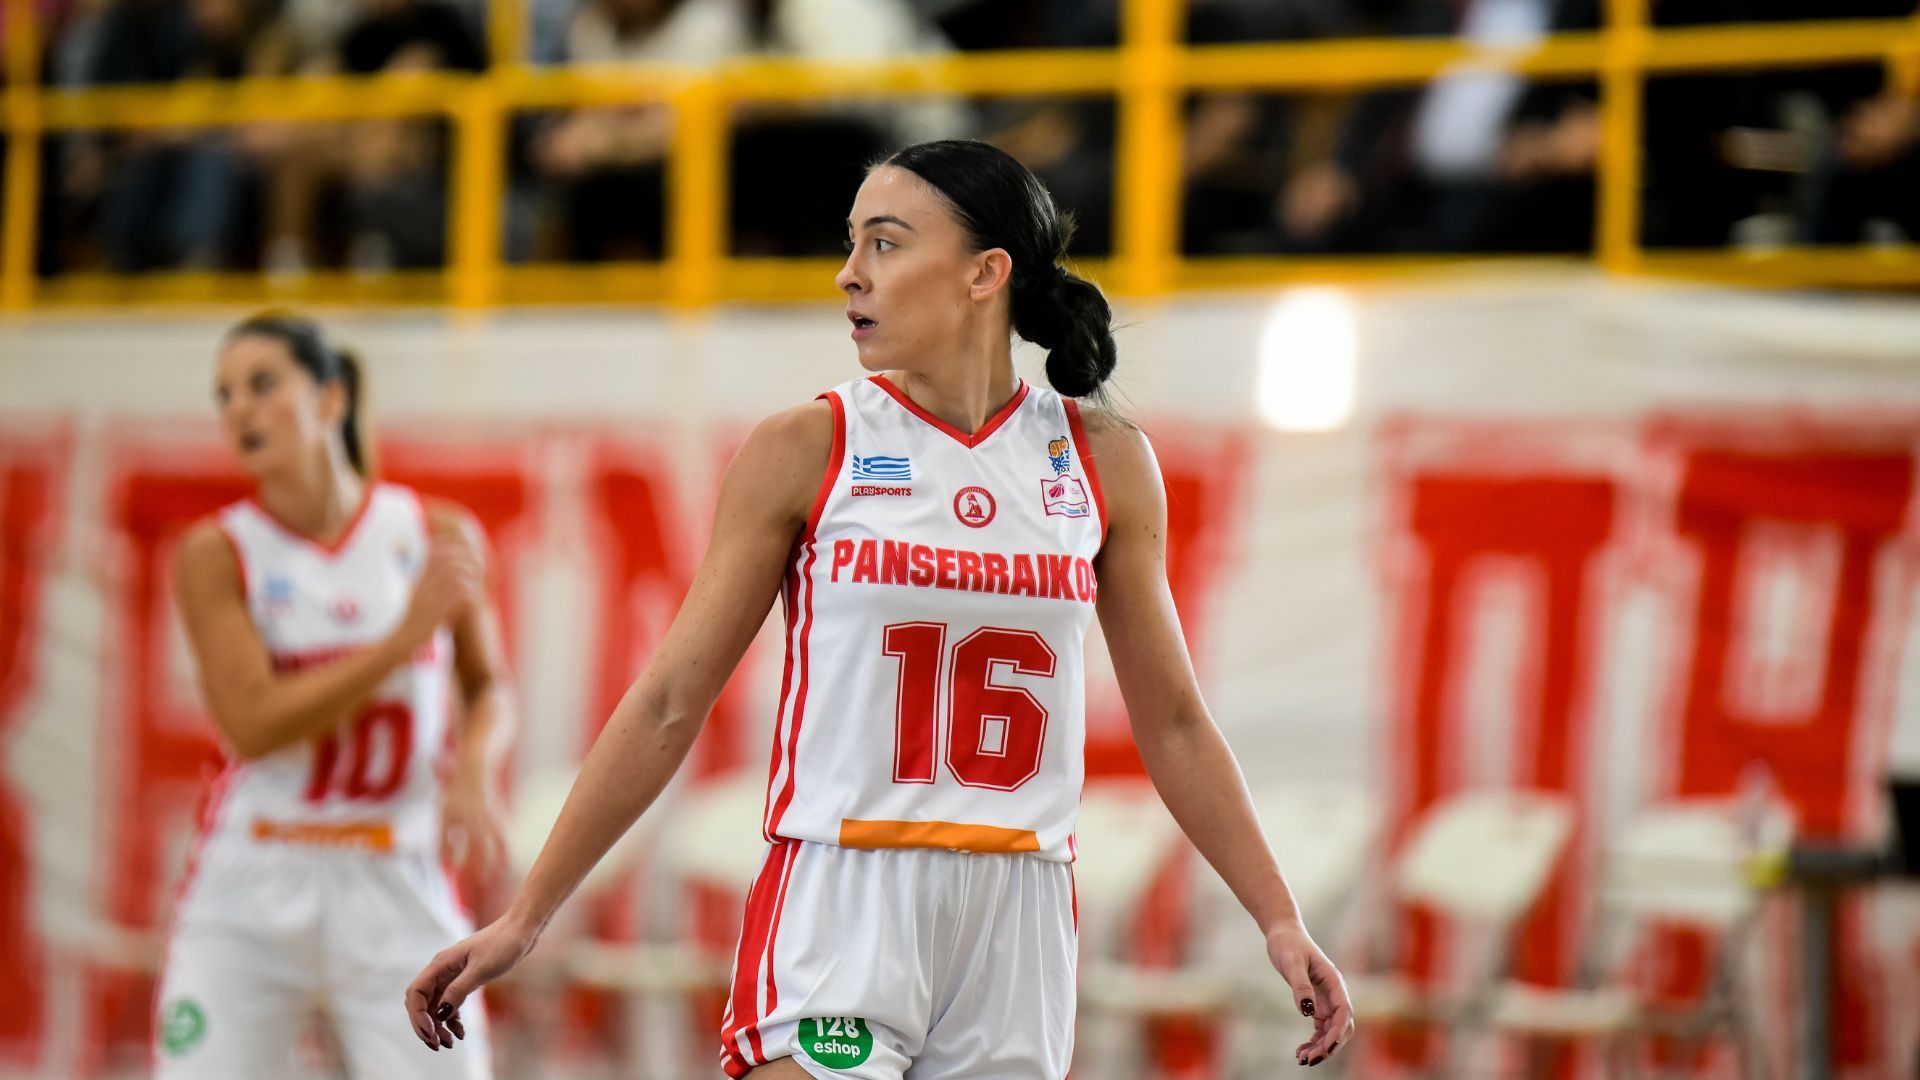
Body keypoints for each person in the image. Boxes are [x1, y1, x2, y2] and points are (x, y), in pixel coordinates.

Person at [404, 139, 1353, 1077]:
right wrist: (527, 916)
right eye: (852, 242)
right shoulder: (807, 445)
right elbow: (667, 701)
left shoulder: (1104, 460)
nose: (849, 273)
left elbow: (1176, 722)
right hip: (841, 889)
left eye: (886, 244)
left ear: (985, 273)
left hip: (1019, 911)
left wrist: (1278, 918)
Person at [160, 311, 512, 1079]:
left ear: (331, 399)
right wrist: (397, 641)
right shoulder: (216, 551)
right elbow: (253, 724)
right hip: (258, 872)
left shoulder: (436, 531)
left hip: (397, 868)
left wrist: (474, 768)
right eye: (225, 395)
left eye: (262, 384)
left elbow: (488, 687)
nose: (240, 409)